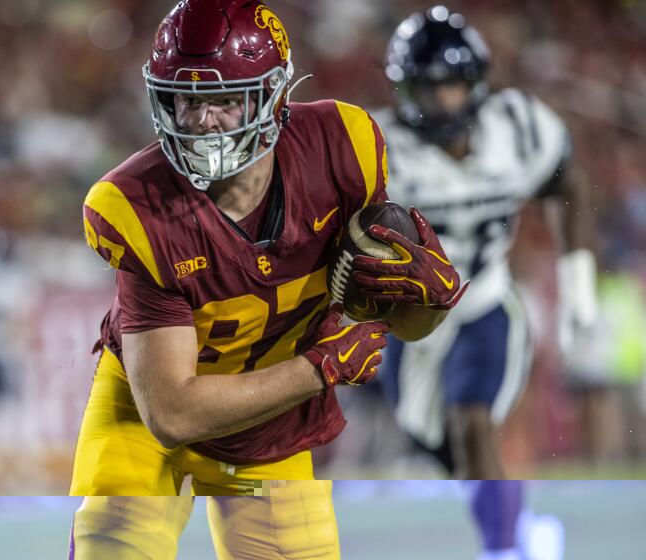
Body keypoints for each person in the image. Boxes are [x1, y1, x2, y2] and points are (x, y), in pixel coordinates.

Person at [68, 1, 465, 558]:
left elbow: (401, 325)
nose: (202, 123)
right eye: (186, 101)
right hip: (146, 414)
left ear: (275, 96)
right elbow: (173, 415)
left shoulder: (342, 149)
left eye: (225, 101)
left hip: (270, 427)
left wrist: (429, 304)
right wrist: (319, 366)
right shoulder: (135, 206)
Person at [370, 6, 593, 559]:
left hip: (484, 302)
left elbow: (565, 179)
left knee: (471, 424)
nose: (443, 101)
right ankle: (521, 528)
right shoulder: (378, 147)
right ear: (405, 90)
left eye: (452, 85)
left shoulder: (515, 127)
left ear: (477, 83)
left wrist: (578, 284)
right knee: (439, 444)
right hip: (413, 319)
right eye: (428, 87)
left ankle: (504, 550)